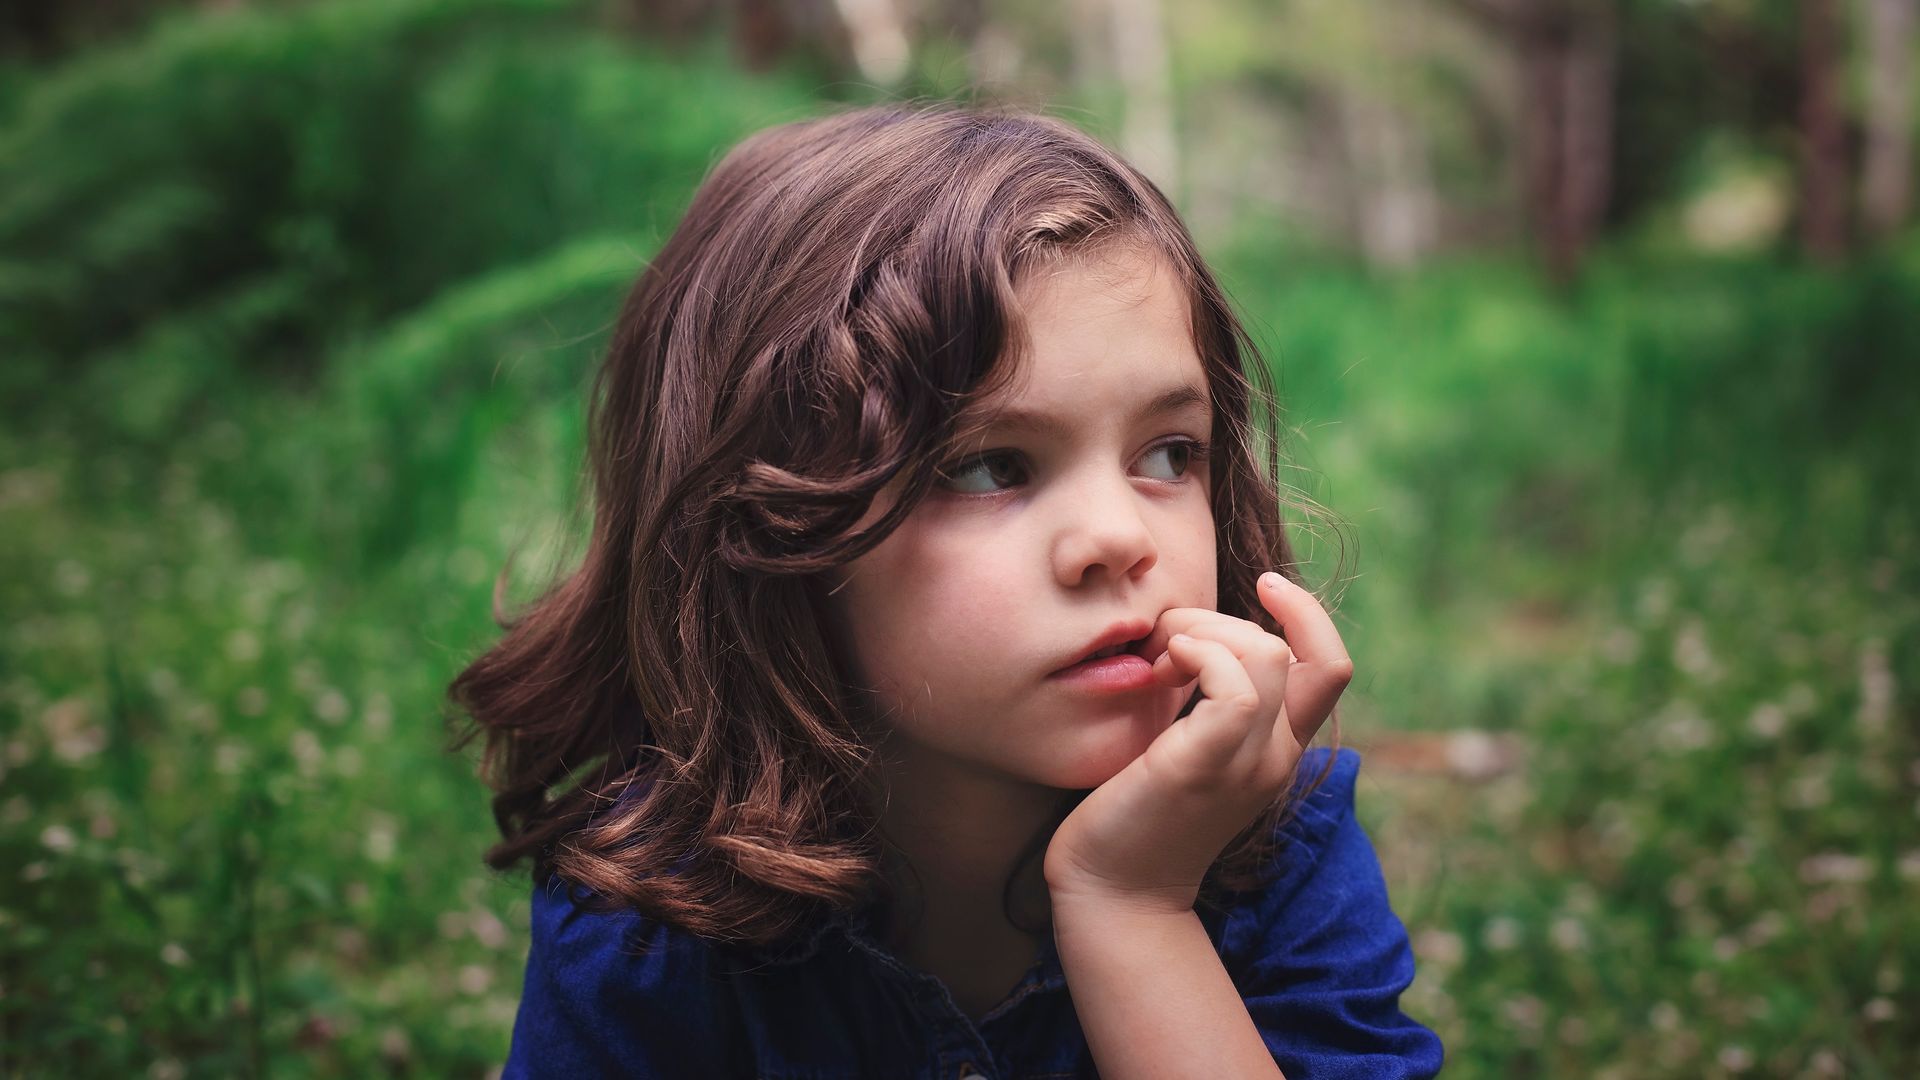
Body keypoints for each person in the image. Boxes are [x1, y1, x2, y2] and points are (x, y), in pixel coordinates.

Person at [450, 101, 1444, 1079]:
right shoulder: (653, 915)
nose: (1116, 537)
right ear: (759, 531)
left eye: (1169, 452)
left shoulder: (1272, 840)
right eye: (986, 466)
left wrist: (1134, 906)